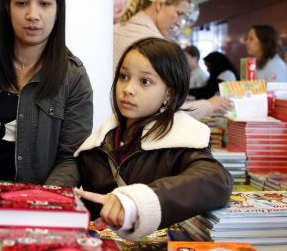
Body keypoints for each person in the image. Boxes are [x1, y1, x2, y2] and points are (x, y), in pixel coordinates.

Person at [74, 37, 233, 241]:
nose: (128, 89)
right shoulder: (100, 141)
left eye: (145, 81)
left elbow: (216, 179)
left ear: (169, 92)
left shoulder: (182, 140)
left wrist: (137, 202)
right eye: (123, 76)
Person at [0, 0, 93, 197]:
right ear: (7, 6)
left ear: (58, 9)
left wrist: (38, 200)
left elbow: (71, 157)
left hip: (30, 205)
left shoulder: (74, 77)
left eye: (45, 4)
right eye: (22, 3)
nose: (33, 15)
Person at [113, 0, 231, 119]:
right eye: (179, 14)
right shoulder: (152, 46)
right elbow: (167, 113)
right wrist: (209, 105)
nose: (179, 23)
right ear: (160, 4)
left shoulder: (115, 31)